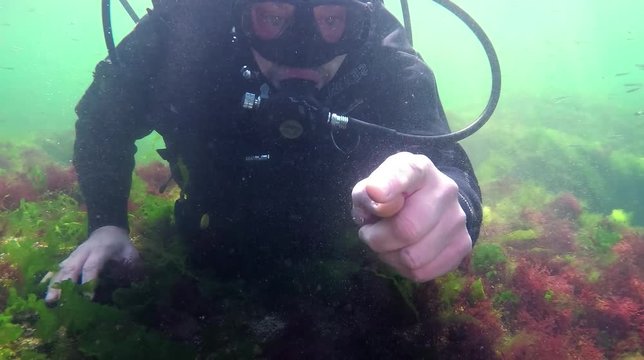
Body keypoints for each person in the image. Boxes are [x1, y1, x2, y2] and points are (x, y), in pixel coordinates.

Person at [45, 0, 482, 353]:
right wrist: (106, 223)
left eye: (331, 19)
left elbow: (442, 160)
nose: (302, 52)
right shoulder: (185, 36)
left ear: (360, 17)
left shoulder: (386, 60)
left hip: (342, 244)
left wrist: (454, 206)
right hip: (210, 229)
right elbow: (102, 120)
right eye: (274, 17)